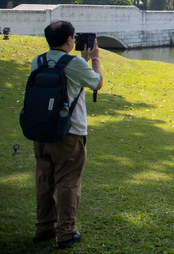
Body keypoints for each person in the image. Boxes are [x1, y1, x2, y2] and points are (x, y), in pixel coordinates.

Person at [31, 21, 103, 249]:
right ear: (70, 39)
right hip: (69, 133)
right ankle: (66, 232)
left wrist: (81, 60)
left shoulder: (38, 61)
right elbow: (97, 83)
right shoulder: (74, 64)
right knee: (68, 182)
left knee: (44, 180)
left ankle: (44, 227)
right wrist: (95, 59)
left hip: (41, 131)